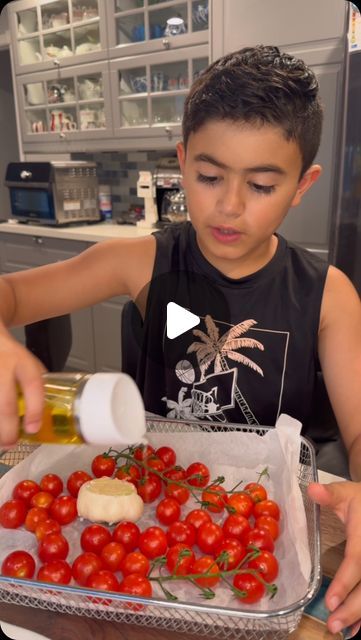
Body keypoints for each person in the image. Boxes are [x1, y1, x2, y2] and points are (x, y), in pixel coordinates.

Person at [0, 45, 360, 636]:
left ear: (302, 185)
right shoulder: (140, 263)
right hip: (143, 525)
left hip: (254, 533)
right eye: (209, 176)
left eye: (263, 185)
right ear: (182, 160)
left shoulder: (329, 295)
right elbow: (10, 296)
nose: (230, 205)